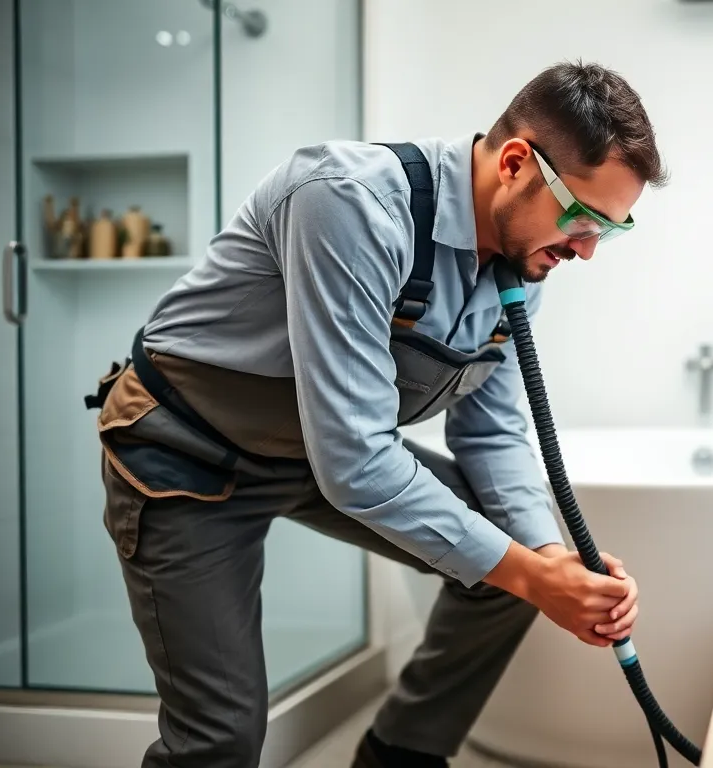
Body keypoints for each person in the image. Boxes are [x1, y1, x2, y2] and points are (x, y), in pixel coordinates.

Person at [83, 60, 669, 768]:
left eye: (610, 228)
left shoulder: (521, 262)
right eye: (581, 218)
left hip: (311, 452)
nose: (586, 250)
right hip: (184, 453)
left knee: (512, 569)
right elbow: (356, 459)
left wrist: (549, 561)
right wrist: (533, 573)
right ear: (516, 163)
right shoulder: (350, 201)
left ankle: (397, 759)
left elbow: (493, 429)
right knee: (219, 738)